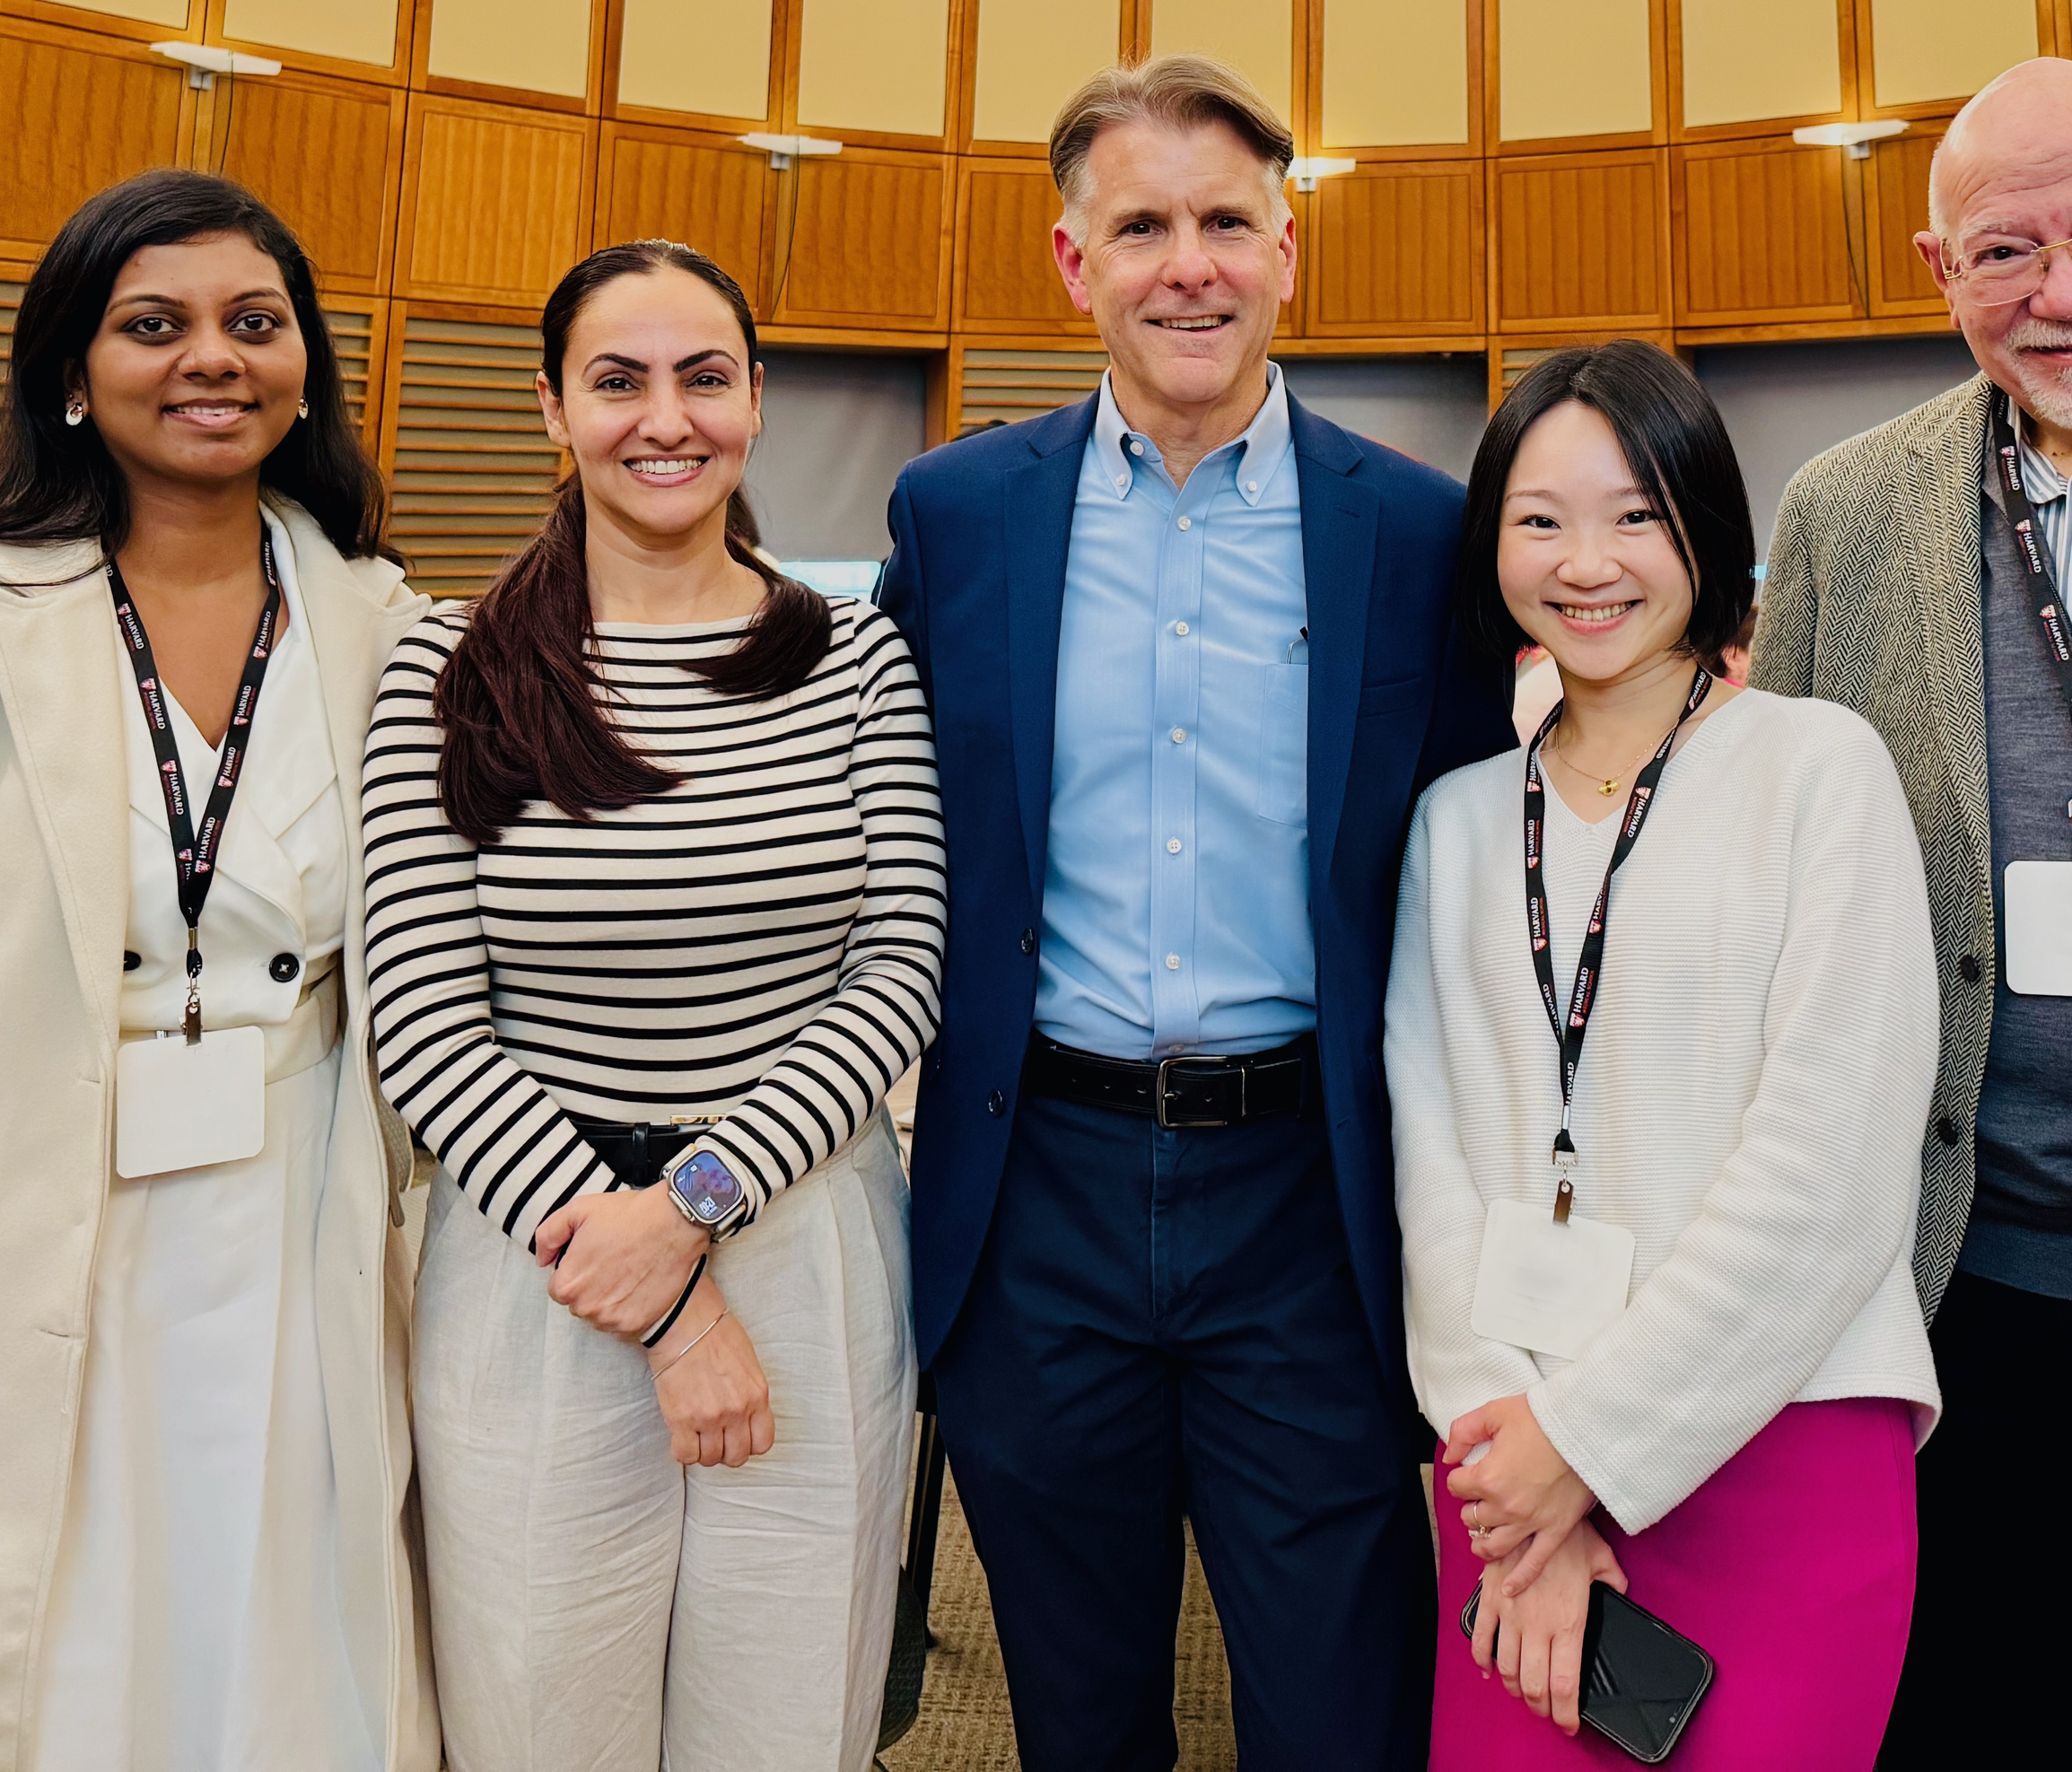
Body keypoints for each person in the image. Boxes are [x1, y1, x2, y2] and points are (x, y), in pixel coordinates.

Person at [877, 55, 1512, 1770]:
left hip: (1310, 1195)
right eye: (1143, 224)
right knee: (1075, 1713)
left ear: (1288, 250)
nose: (1191, 264)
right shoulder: (953, 517)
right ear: (1074, 262)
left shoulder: (1421, 532)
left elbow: (1473, 871)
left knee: (1340, 1708)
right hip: (1041, 1196)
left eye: (1228, 220)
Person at [362, 240, 943, 1770]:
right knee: (541, 1718)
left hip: (808, 1242)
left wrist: (695, 1204)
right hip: (533, 1270)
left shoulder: (852, 657)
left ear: (755, 398)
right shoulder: (449, 661)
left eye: (703, 375)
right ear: (555, 408)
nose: (662, 417)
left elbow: (899, 969)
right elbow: (422, 1018)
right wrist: (664, 1297)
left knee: (789, 1720)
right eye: (615, 380)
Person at [1753, 57, 2072, 1767]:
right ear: (1933, 266)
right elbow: (1775, 901)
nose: (2070, 291)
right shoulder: (1843, 517)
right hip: (1954, 1295)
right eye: (2005, 254)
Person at [1389, 340, 1941, 1769]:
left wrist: (1593, 1446)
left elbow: (1833, 1171)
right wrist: (1514, 1458)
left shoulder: (1822, 769)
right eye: (1540, 518)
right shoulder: (1454, 818)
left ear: (1706, 523)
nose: (1590, 562)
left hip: (1781, 1436)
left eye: (1638, 513)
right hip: (1504, 1463)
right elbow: (1427, 1155)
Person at [0, 171, 437, 1770]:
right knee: (77, 1606)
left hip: (298, 1180)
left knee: (285, 1613)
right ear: (70, 369)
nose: (212, 358)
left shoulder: (385, 620)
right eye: (153, 324)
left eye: (256, 323)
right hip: (52, 1185)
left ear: (305, 362)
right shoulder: (10, 609)